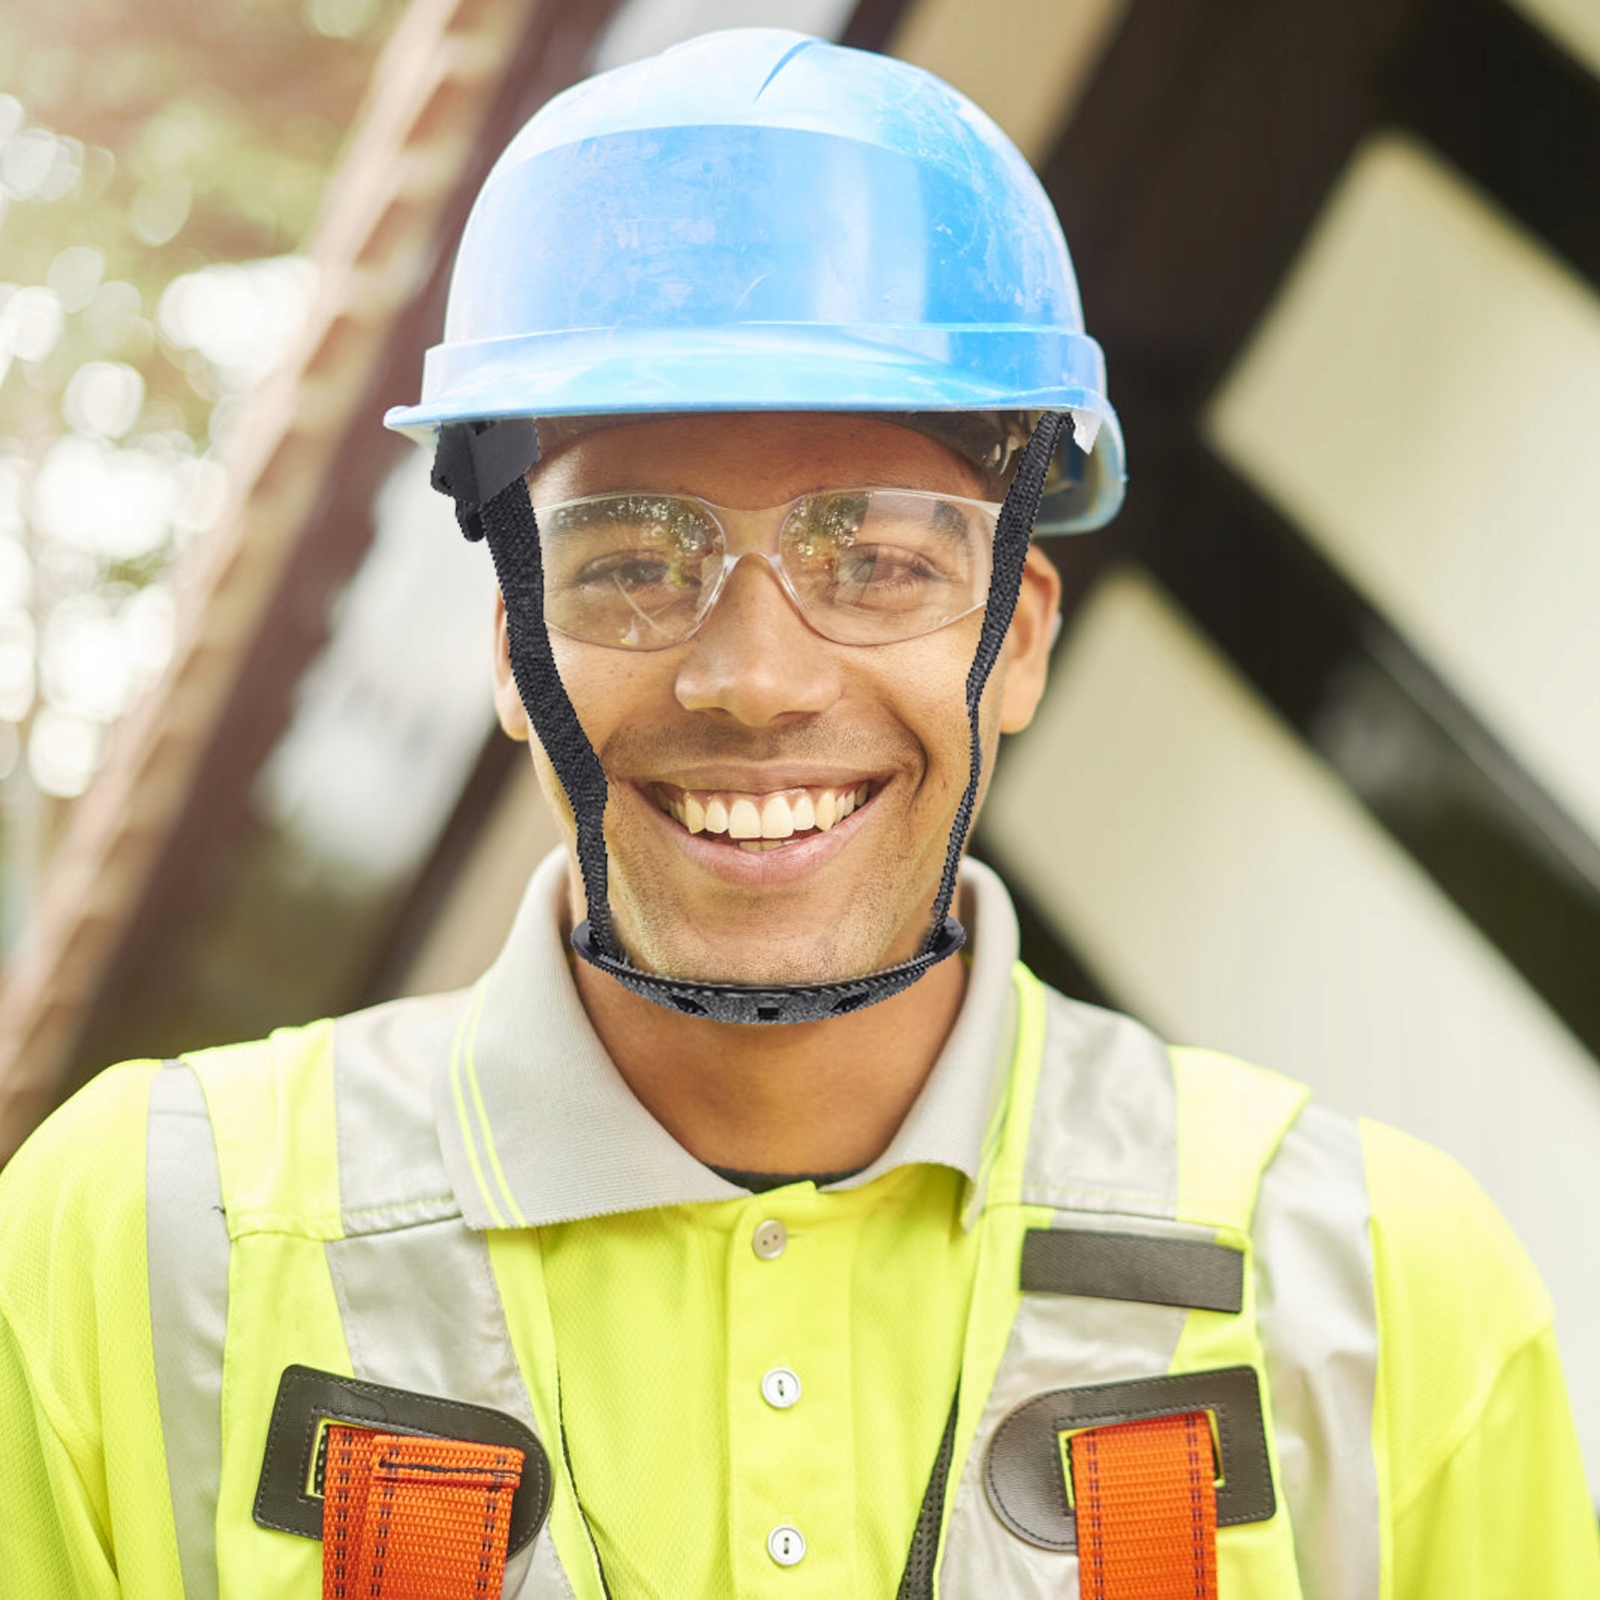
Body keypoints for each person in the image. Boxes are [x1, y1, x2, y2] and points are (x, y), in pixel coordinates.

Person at [1, 27, 1595, 1600]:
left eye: (880, 559)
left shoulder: (1368, 1284)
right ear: (513, 648)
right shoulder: (148, 1248)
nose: (755, 680)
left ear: (1019, 636)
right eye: (634, 562)